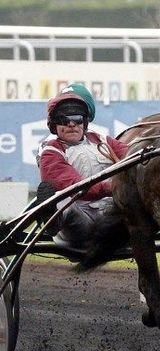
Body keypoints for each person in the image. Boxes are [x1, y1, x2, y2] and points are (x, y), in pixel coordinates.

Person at [38, 83, 130, 269]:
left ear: (85, 122)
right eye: (64, 119)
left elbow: (132, 155)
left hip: (113, 216)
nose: (71, 124)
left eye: (77, 118)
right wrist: (115, 187)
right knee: (59, 198)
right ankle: (51, 219)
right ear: (54, 124)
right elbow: (74, 186)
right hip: (81, 223)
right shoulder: (51, 151)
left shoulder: (101, 139)